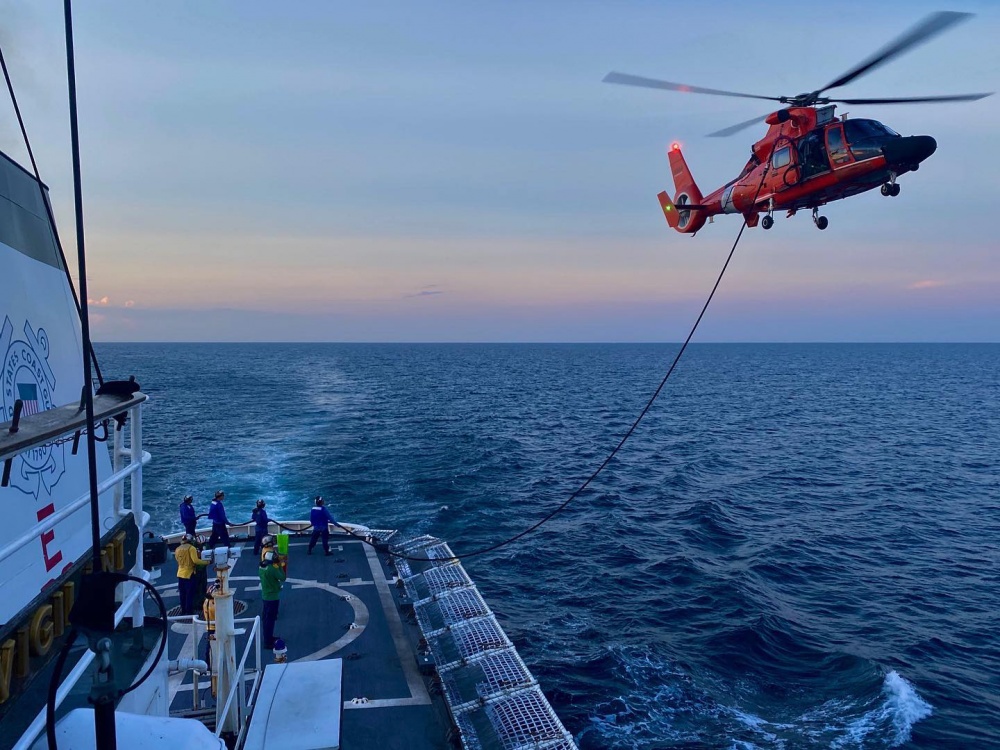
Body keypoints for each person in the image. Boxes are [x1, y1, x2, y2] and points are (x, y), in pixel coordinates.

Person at [174, 533, 209, 615]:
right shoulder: (191, 548)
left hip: (180, 573)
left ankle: (183, 611)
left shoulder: (177, 549)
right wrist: (206, 562)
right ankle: (189, 611)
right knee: (190, 594)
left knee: (182, 594)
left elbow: (177, 560)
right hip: (189, 574)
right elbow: (195, 560)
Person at [258, 549, 285, 649]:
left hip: (265, 596)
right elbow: (283, 577)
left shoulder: (261, 567)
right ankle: (268, 641)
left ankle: (268, 637)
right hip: (273, 597)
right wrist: (280, 566)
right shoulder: (272, 569)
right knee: (270, 620)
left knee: (266, 619)